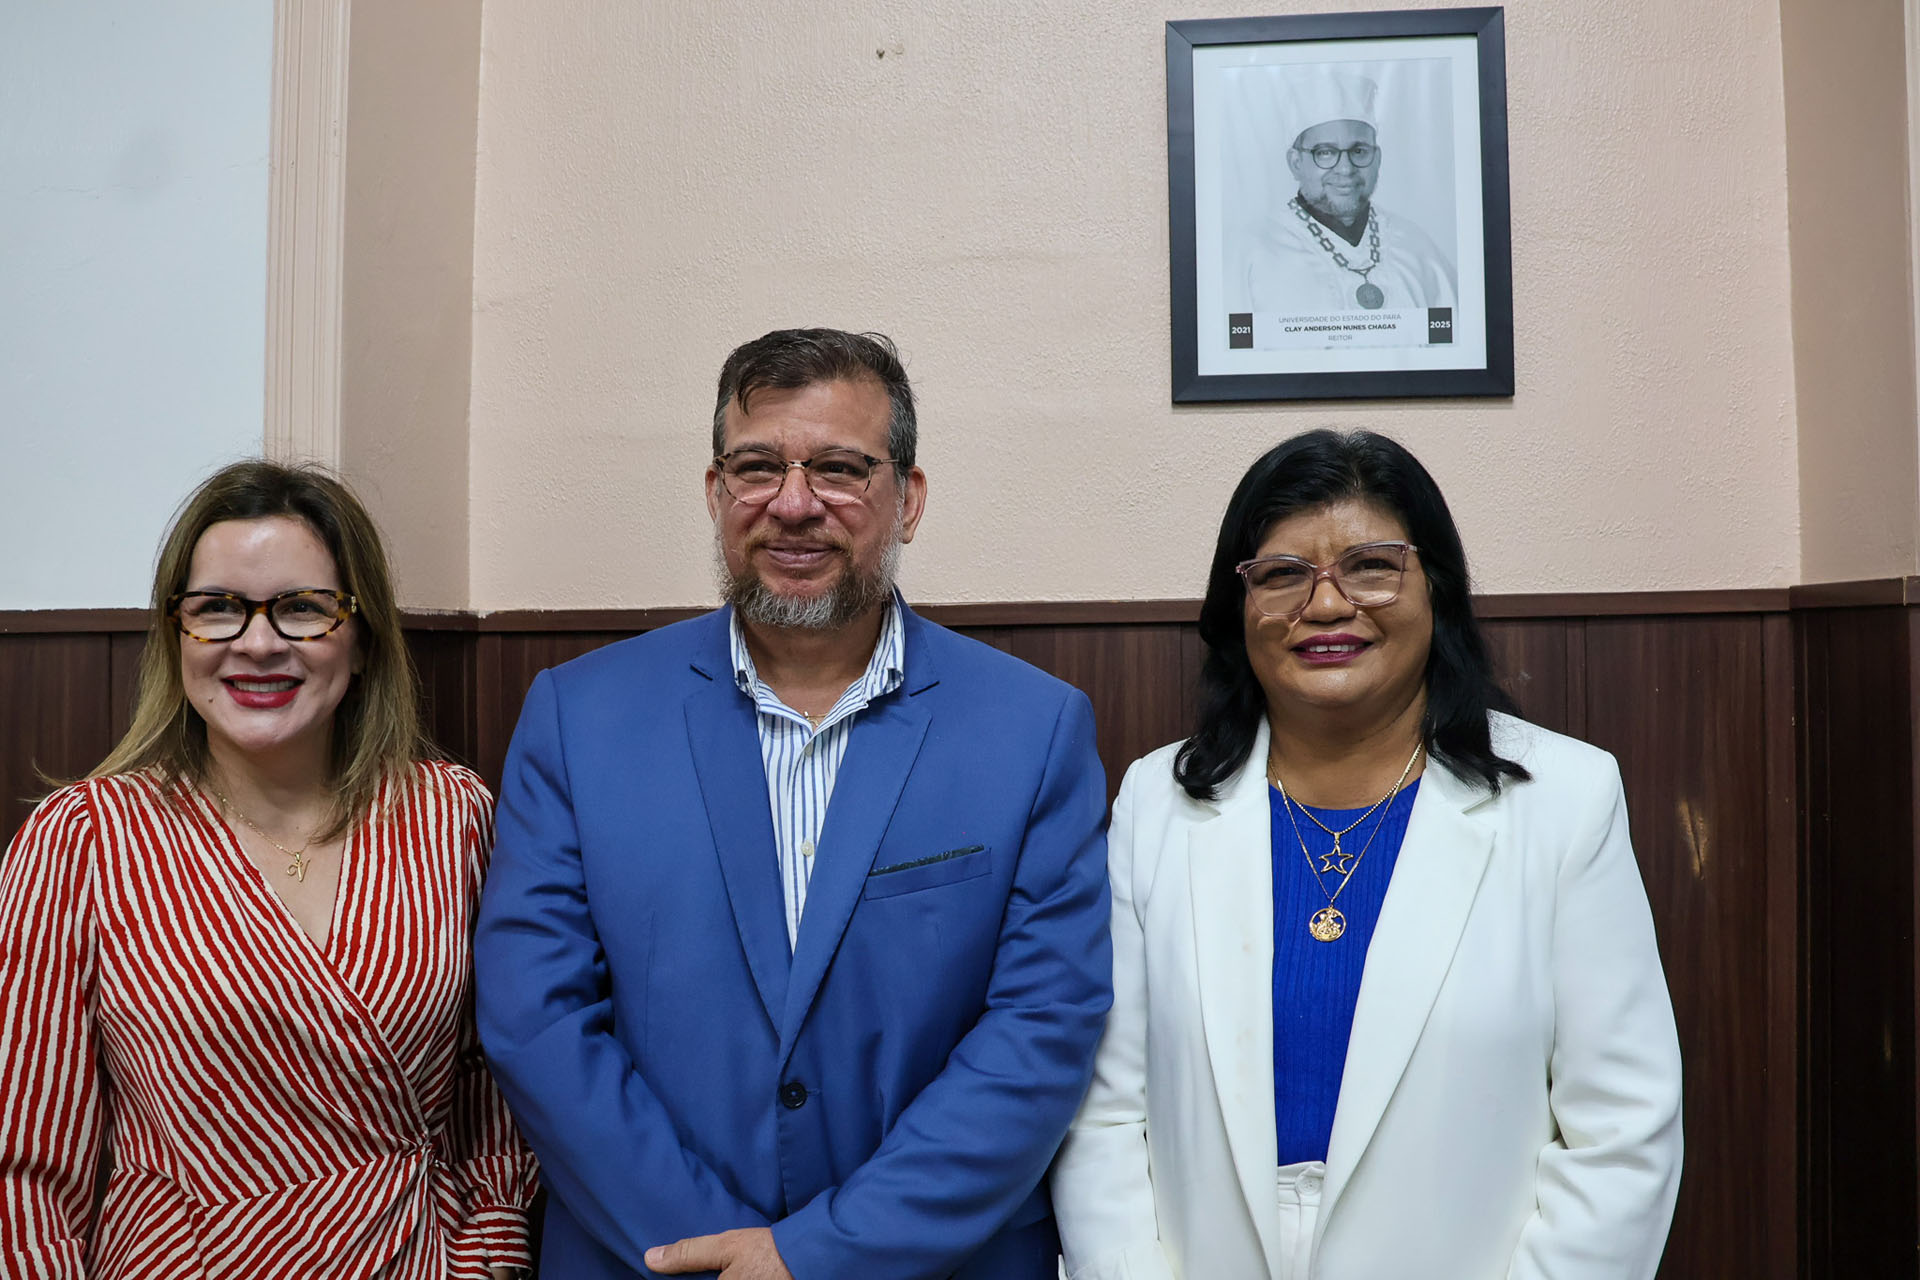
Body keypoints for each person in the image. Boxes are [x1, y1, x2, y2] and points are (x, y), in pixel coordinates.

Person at [473, 327, 1112, 1280]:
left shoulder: (1034, 728)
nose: (795, 503)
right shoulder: (579, 716)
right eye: (757, 468)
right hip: (648, 1259)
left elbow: (1041, 1030)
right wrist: (716, 1258)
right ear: (715, 492)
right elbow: (537, 1019)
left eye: (841, 469)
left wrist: (817, 1256)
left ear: (910, 499)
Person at [1051, 430, 1682, 1279]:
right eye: (1282, 574)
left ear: (1438, 589)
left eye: (1372, 567)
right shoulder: (1154, 802)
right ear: (1238, 606)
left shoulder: (1566, 799)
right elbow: (1102, 1115)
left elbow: (1622, 1128)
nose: (1325, 605)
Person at [0, 461, 536, 1278]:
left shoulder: (451, 815)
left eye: (302, 608)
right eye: (216, 608)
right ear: (176, 636)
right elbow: (28, 1166)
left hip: (416, 1256)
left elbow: (488, 1075)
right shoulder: (82, 838)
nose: (257, 643)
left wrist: (491, 1239)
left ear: (362, 639)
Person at [1230, 72, 1457, 314]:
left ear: (1377, 158)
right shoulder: (1253, 252)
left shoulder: (1418, 251)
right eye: (1325, 153)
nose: (1346, 169)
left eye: (1359, 151)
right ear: (1295, 163)